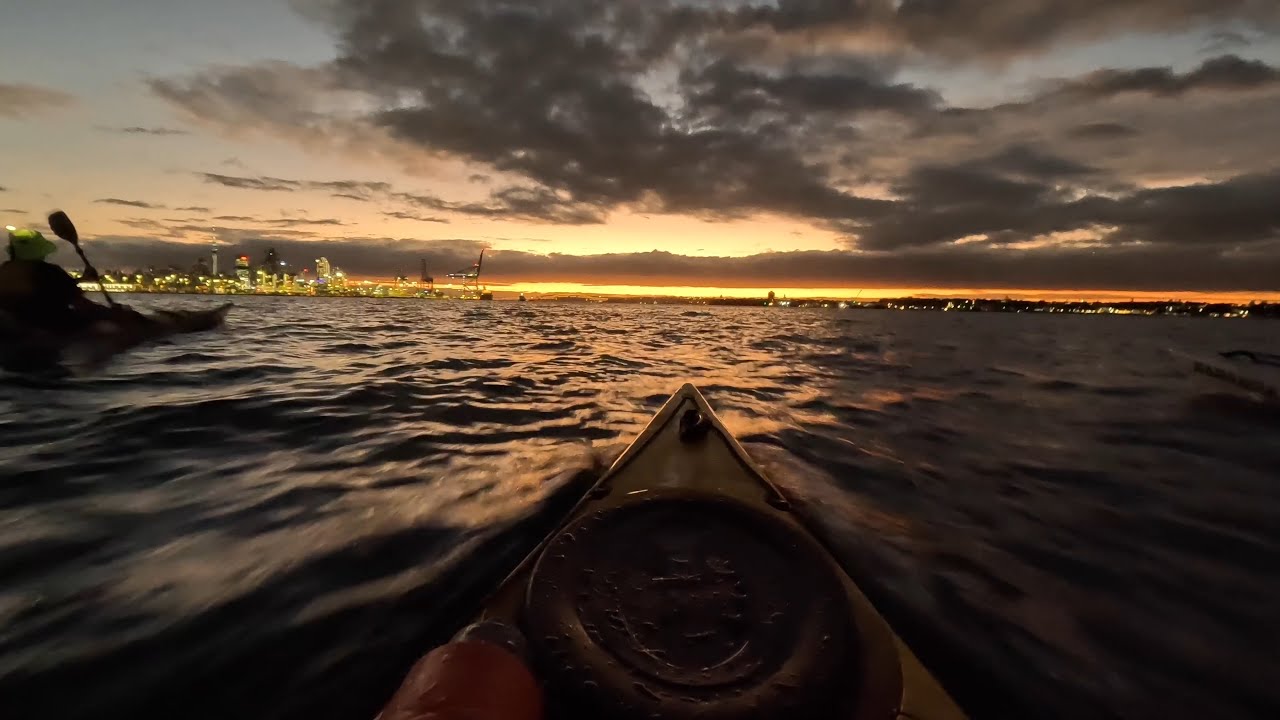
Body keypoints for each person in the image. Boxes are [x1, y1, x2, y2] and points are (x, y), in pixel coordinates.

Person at [0, 226, 116, 333]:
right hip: (49, 325)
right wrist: (111, 314)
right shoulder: (48, 271)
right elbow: (74, 297)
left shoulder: (5, 269)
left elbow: (53, 288)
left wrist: (84, 279)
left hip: (15, 325)